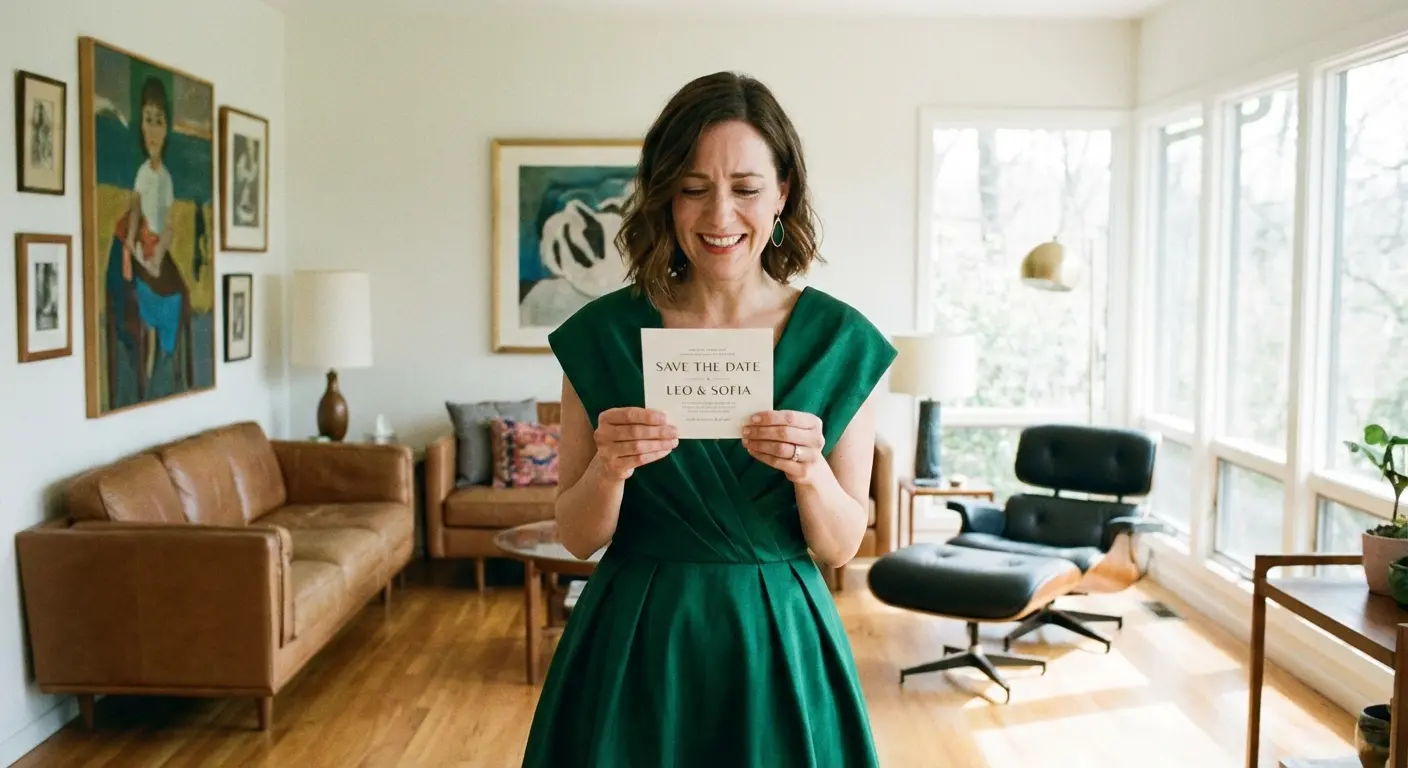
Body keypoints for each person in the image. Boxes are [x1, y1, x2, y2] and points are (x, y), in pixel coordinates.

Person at [522, 71, 897, 768]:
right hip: (635, 640)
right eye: (694, 188)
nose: (720, 215)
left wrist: (810, 472)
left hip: (776, 640)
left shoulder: (841, 342)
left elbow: (842, 547)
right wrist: (609, 468)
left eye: (746, 188)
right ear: (665, 196)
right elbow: (576, 537)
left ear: (784, 193)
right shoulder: (601, 337)